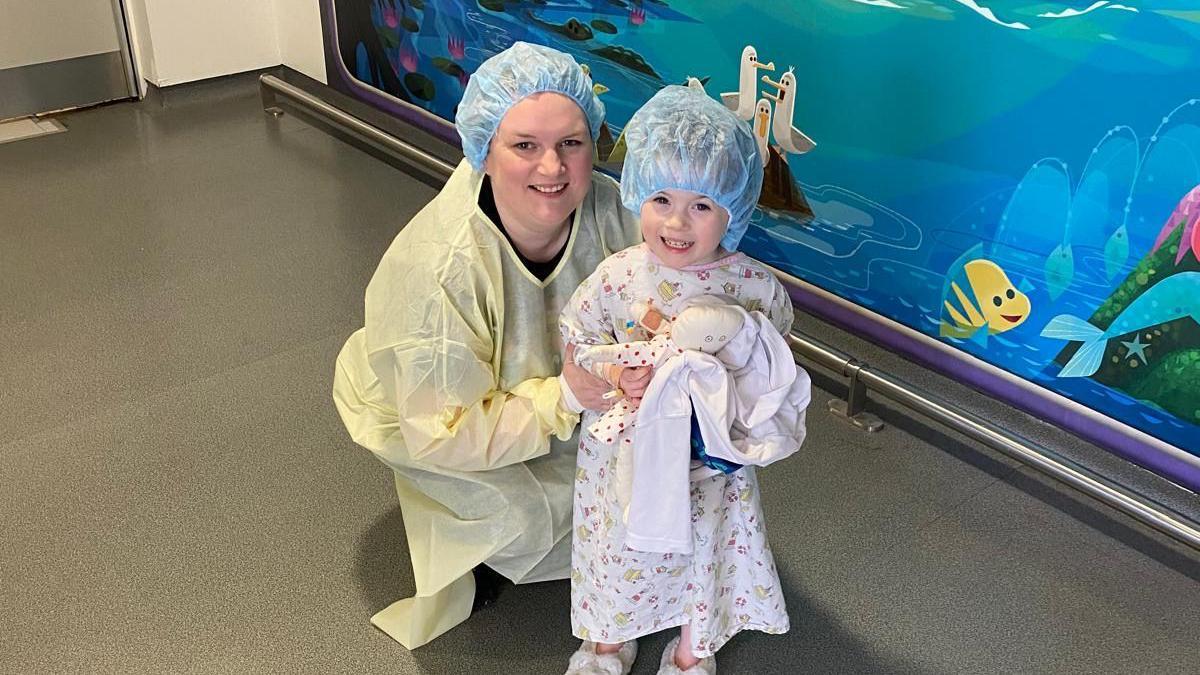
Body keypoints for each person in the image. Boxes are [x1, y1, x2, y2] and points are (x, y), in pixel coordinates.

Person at [332, 41, 641, 649]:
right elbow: (446, 430)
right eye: (524, 145)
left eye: (571, 144)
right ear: (485, 150)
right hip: (438, 413)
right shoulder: (441, 270)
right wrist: (566, 399)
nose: (552, 168)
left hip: (565, 391)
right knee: (527, 517)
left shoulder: (610, 210)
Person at [559, 85, 806, 675]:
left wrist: (724, 383)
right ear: (638, 193)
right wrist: (619, 372)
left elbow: (776, 364)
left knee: (707, 546)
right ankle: (608, 640)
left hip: (710, 460)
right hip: (627, 446)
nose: (676, 221)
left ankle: (693, 649)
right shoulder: (617, 277)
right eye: (661, 198)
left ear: (733, 209)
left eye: (701, 205)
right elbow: (578, 342)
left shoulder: (753, 288)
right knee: (616, 544)